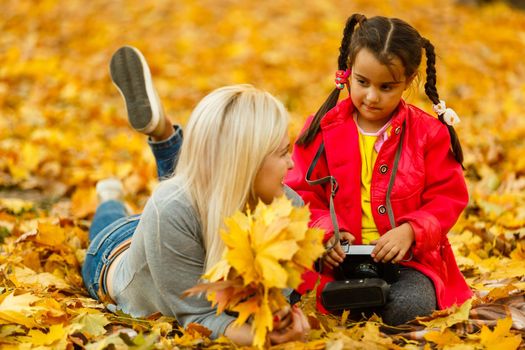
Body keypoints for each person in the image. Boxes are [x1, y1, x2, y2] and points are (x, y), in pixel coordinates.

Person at [82, 46, 310, 346]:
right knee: (116, 214)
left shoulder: (287, 204)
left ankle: (164, 136)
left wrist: (282, 318)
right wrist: (264, 339)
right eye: (282, 153)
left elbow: (269, 300)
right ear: (248, 162)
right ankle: (109, 196)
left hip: (185, 216)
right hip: (116, 252)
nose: (292, 164)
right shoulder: (171, 209)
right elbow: (197, 317)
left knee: (196, 181)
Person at [285, 14, 473, 325]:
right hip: (334, 259)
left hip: (407, 261)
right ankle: (353, 304)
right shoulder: (321, 128)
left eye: (386, 86)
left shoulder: (429, 134)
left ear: (409, 80)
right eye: (362, 82)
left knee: (408, 307)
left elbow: (448, 198)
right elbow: (298, 192)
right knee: (306, 300)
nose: (371, 96)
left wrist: (410, 231)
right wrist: (324, 233)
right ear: (348, 72)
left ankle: (373, 306)